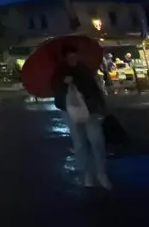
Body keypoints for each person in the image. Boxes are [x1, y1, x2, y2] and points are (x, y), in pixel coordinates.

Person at [51, 45, 111, 189]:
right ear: (65, 58)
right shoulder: (59, 73)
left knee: (96, 141)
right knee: (80, 144)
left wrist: (101, 105)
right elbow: (56, 93)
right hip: (70, 112)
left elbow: (94, 88)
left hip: (90, 110)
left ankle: (102, 174)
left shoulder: (84, 70)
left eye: (75, 56)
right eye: (70, 57)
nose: (73, 59)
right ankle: (87, 174)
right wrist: (64, 83)